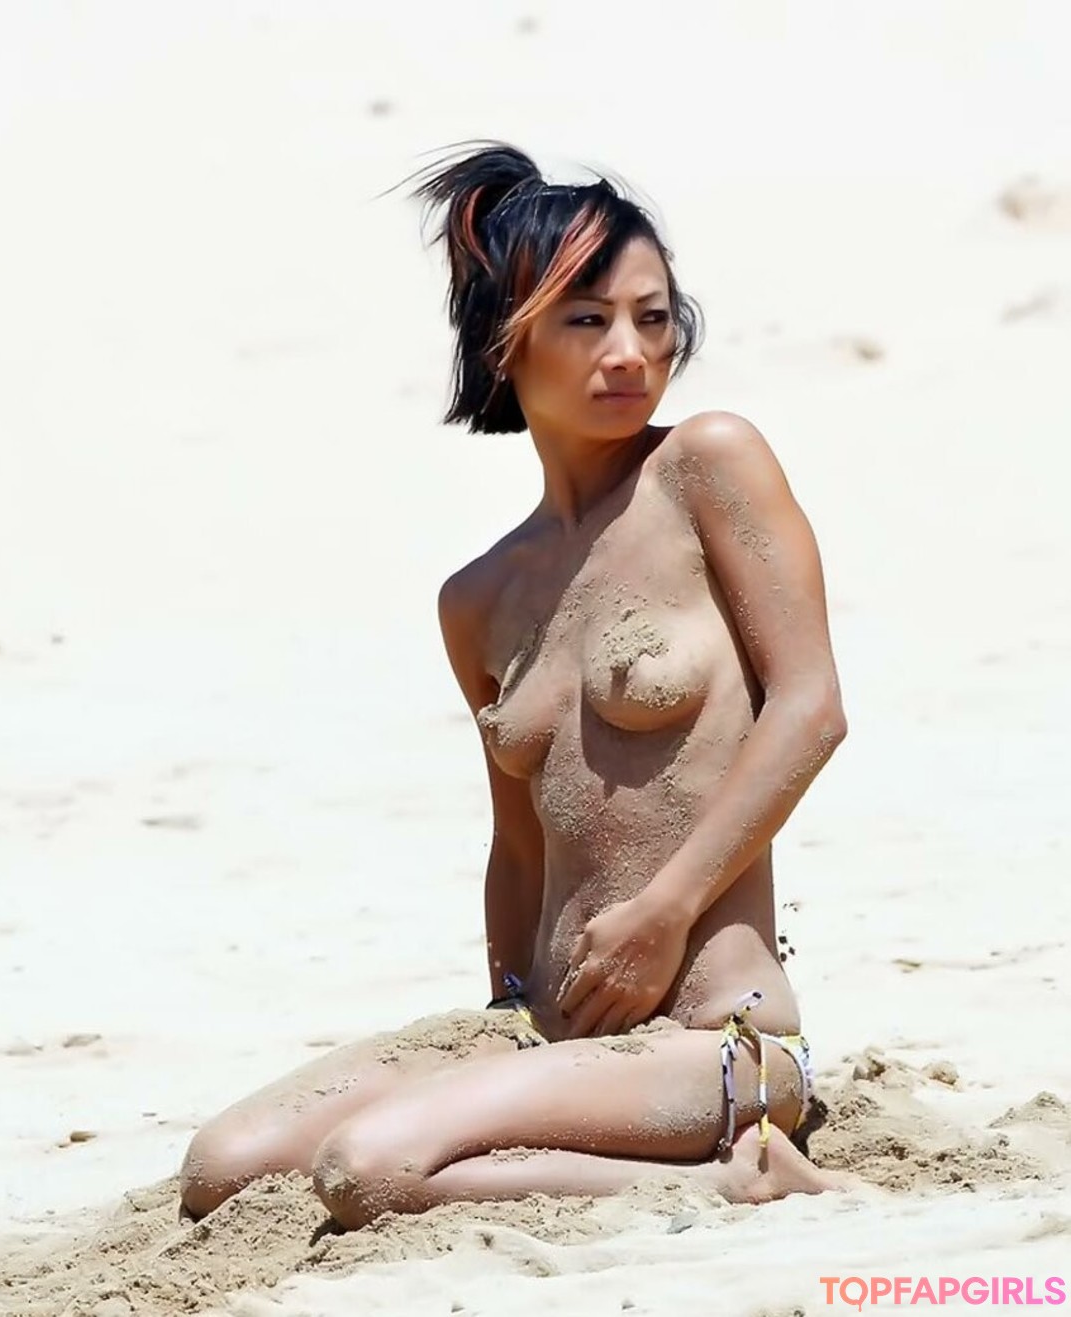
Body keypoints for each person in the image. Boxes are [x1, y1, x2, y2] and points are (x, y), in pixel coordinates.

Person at [180, 143, 849, 1227]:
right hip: (549, 1030)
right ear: (508, 338)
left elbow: (811, 708)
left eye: (653, 317)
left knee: (371, 1166)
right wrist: (501, 1011)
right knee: (225, 1165)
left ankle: (737, 1176)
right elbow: (519, 842)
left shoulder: (708, 467)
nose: (631, 352)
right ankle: (526, 1108)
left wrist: (664, 912)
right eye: (587, 319)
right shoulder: (479, 597)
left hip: (712, 1038)